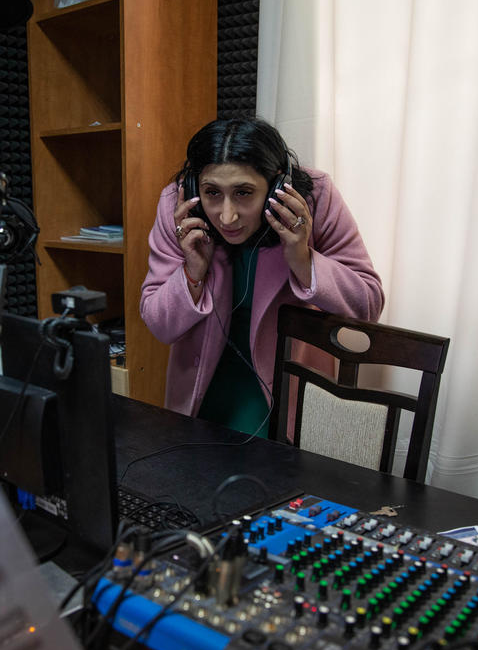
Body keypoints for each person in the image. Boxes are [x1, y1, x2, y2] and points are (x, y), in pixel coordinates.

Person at [140, 117, 384, 435]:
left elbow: (368, 303)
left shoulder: (315, 199)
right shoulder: (181, 208)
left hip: (288, 389)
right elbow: (159, 324)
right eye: (212, 192)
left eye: (243, 193)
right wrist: (192, 272)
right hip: (204, 388)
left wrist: (303, 258)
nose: (227, 216)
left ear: (276, 187)